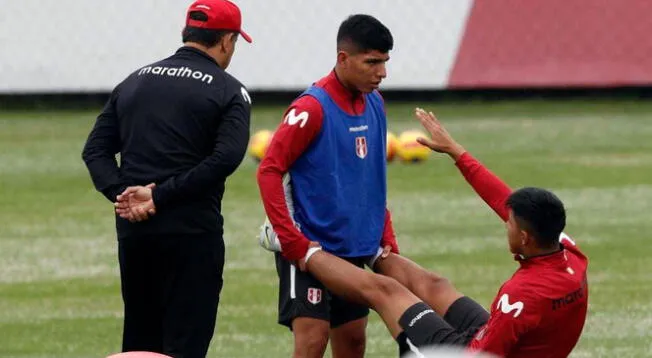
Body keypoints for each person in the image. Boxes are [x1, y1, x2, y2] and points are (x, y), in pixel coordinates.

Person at [279, 108, 589, 358]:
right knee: (435, 285)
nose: (504, 223)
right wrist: (457, 153)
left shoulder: (521, 295)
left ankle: (298, 245)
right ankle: (372, 249)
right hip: (500, 345)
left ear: (524, 238)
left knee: (387, 291)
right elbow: (501, 199)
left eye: (509, 224)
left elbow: (482, 353)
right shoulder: (568, 253)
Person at [81, 1, 252, 357]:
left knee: (141, 345)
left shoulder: (133, 81)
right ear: (226, 41)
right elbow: (226, 158)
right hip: (191, 234)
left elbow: (95, 151)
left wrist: (124, 198)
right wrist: (159, 198)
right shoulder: (229, 90)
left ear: (185, 34)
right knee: (185, 345)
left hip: (135, 234)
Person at [256, 14, 399, 358]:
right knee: (312, 341)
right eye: (372, 62)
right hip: (309, 247)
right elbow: (269, 170)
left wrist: (385, 229)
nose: (382, 72)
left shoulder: (375, 103)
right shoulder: (310, 108)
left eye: (385, 62)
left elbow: (371, 175)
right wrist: (292, 241)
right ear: (342, 59)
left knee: (353, 343)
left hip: (352, 246)